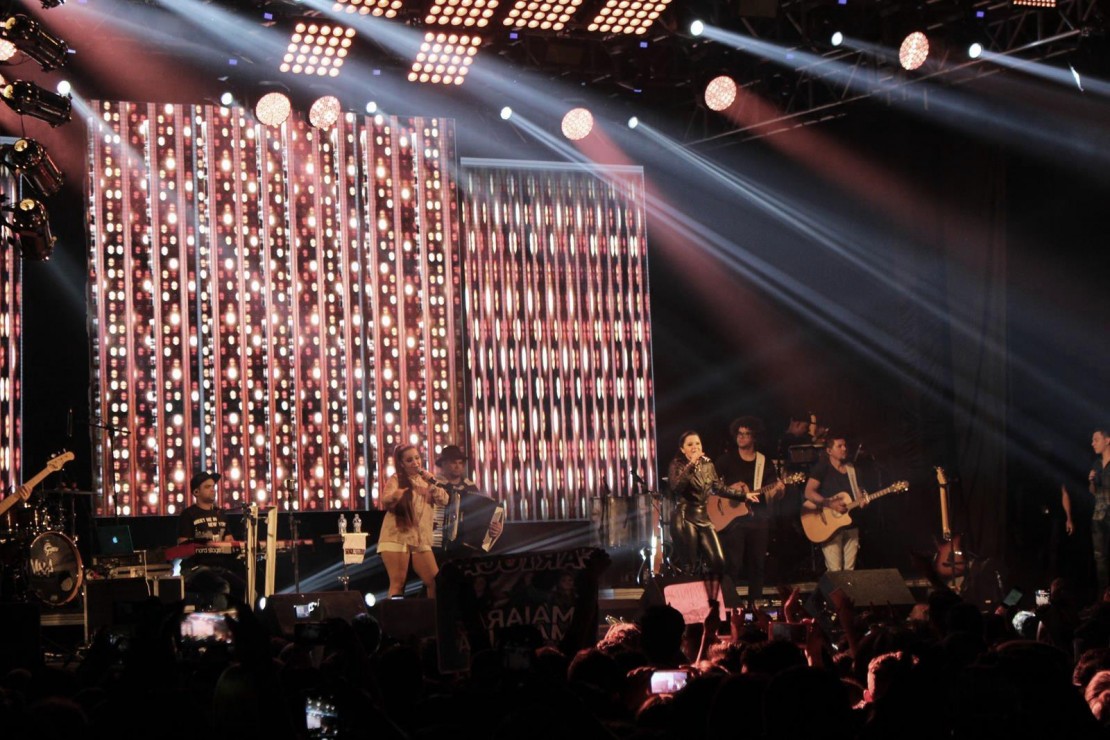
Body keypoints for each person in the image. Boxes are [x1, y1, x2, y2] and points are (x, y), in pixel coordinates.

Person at [714, 416, 786, 607]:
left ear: (754, 437)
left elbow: (772, 492)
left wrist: (779, 490)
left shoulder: (764, 462)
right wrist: (732, 488)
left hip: (758, 518)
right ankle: (730, 605)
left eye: (746, 434)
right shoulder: (725, 460)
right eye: (739, 434)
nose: (742, 437)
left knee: (757, 565)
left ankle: (756, 607)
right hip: (733, 521)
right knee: (733, 564)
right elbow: (712, 487)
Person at [668, 430, 746, 576]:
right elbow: (676, 486)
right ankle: (689, 596)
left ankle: (710, 596)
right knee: (689, 565)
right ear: (682, 449)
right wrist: (691, 464)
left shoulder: (707, 464)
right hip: (685, 516)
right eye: (690, 444)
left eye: (697, 443)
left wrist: (744, 496)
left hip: (703, 516)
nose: (695, 447)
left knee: (718, 562)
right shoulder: (677, 464)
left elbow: (717, 488)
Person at [380, 444, 450, 598]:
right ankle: (394, 620)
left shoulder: (428, 479)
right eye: (409, 460)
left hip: (420, 537)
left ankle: (433, 619)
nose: (415, 462)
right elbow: (385, 500)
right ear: (402, 464)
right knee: (398, 583)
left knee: (434, 581)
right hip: (397, 535)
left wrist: (431, 484)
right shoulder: (396, 479)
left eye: (417, 458)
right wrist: (395, 496)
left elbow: (444, 500)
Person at [177, 471, 241, 609]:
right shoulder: (188, 514)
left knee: (245, 588)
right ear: (196, 492)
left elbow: (230, 540)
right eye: (207, 487)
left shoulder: (221, 514)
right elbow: (182, 546)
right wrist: (205, 544)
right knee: (221, 586)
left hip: (218, 567)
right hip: (195, 569)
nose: (213, 489)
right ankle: (219, 625)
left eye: (213, 486)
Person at [804, 434, 867, 572]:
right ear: (829, 451)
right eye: (839, 446)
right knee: (835, 571)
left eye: (845, 445)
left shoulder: (853, 470)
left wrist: (862, 499)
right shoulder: (822, 468)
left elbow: (860, 492)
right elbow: (809, 492)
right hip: (829, 526)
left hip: (851, 524)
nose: (844, 449)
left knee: (850, 571)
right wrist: (829, 504)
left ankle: (847, 594)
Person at [433, 445, 503, 556]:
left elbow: (485, 515)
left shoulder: (471, 487)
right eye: (453, 462)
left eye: (460, 463)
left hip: (467, 550)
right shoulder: (435, 485)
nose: (457, 466)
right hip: (438, 545)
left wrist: (496, 528)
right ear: (443, 464)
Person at [1064, 426, 1110, 593]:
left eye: (1096, 440)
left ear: (1107, 440)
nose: (1092, 443)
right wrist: (1091, 481)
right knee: (1100, 559)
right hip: (1098, 516)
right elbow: (1093, 492)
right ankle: (1103, 598)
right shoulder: (1096, 464)